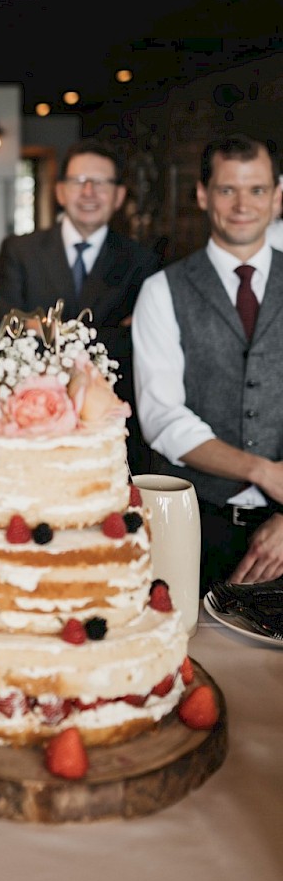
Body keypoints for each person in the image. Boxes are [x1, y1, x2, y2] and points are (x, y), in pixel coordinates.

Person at [133, 133, 283, 592]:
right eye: (226, 189)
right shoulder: (161, 291)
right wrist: (260, 469)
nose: (243, 204)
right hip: (191, 523)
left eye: (256, 189)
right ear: (202, 194)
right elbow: (162, 417)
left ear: (278, 196)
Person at [0, 137, 159, 466]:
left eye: (101, 183)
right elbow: (3, 328)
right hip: (30, 419)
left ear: (119, 196)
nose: (89, 192)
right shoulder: (20, 251)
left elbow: (137, 345)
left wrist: (39, 327)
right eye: (79, 181)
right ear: (60, 191)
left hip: (107, 421)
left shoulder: (142, 261)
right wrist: (104, 331)